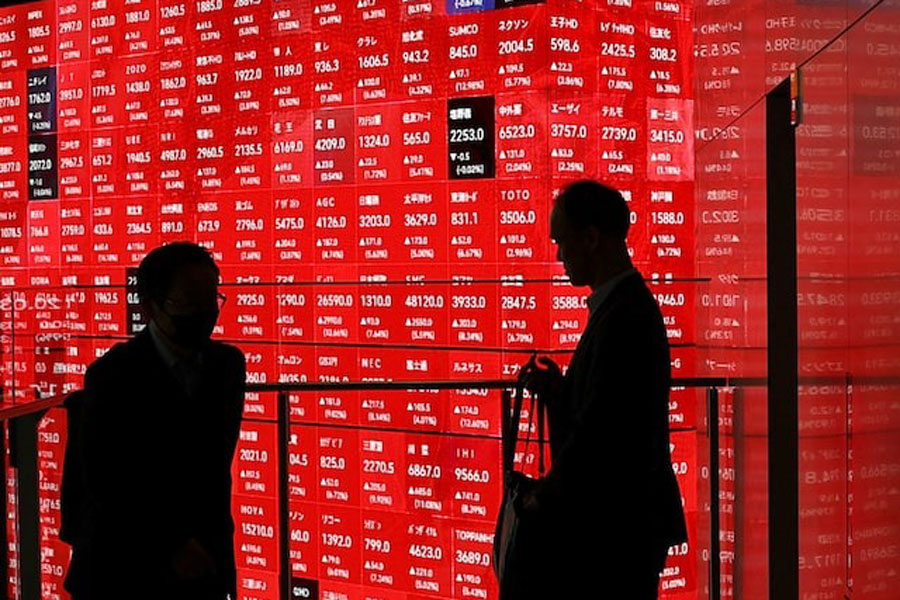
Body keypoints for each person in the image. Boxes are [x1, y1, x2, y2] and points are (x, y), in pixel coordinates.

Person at [518, 180, 687, 598]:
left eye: (562, 241)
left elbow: (602, 430)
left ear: (591, 238)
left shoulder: (624, 316)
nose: (559, 256)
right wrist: (560, 391)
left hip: (617, 525)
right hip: (627, 521)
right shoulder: (625, 307)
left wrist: (544, 497)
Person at [61, 242, 246, 600]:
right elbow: (107, 481)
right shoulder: (112, 375)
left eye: (211, 301)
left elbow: (211, 466)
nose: (204, 314)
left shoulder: (227, 366)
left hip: (205, 564)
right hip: (124, 566)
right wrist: (173, 544)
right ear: (149, 305)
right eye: (187, 303)